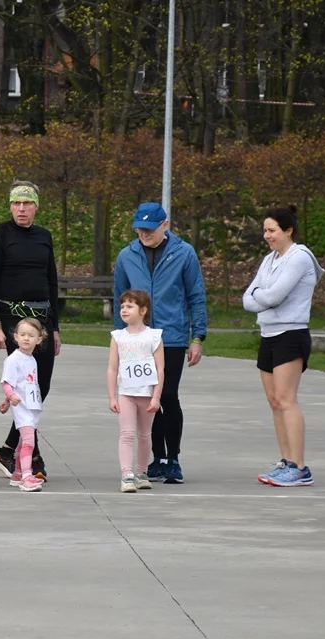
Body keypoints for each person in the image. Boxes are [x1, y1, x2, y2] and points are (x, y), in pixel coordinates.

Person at [113, 202, 207, 484]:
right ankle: (156, 459)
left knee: (167, 396)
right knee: (144, 400)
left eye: (150, 229)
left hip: (172, 337)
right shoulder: (126, 256)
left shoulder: (184, 253)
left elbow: (195, 295)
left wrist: (197, 337)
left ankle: (173, 459)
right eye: (140, 229)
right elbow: (119, 297)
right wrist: (120, 339)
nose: (144, 234)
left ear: (164, 225)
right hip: (137, 339)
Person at [0, 181, 60, 482]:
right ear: (10, 206)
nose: (21, 209)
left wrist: (55, 328)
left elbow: (51, 281)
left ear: (36, 207)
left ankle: (8, 449)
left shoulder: (44, 237)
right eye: (16, 204)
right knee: (24, 385)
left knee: (42, 387)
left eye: (27, 204)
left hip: (43, 319)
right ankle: (33, 456)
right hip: (13, 320)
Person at [243, 207, 325, 488]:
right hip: (268, 334)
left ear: (288, 230)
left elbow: (276, 296)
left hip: (291, 334)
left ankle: (300, 468)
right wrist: (260, 297)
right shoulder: (269, 259)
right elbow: (247, 298)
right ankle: (286, 461)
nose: (267, 236)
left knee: (287, 399)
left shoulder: (300, 257)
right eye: (265, 230)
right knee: (274, 401)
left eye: (272, 230)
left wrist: (260, 296)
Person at [107, 289, 164, 493]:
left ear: (143, 310)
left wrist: (156, 396)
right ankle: (126, 474)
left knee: (145, 435)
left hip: (146, 393)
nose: (124, 310)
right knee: (127, 433)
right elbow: (113, 368)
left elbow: (160, 369)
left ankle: (142, 472)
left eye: (129, 306)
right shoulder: (118, 337)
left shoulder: (154, 337)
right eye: (122, 306)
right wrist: (112, 396)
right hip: (126, 393)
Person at [0, 318, 46, 492]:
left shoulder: (31, 360)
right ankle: (27, 475)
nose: (26, 338)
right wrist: (10, 397)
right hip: (22, 408)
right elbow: (6, 383)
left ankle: (17, 473)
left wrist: (6, 401)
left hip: (31, 406)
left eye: (31, 335)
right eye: (23, 334)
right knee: (28, 441)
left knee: (22, 441)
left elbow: (20, 383)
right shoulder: (13, 359)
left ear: (39, 339)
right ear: (16, 337)